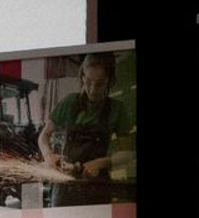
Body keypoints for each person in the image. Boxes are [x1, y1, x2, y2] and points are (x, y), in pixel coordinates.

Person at [39, 52, 134, 205]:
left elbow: (128, 154)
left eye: (100, 84)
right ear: (82, 77)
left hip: (98, 186)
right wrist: (48, 155)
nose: (92, 90)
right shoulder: (69, 102)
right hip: (65, 186)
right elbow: (43, 136)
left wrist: (102, 162)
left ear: (110, 81)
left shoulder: (117, 109)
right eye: (88, 82)